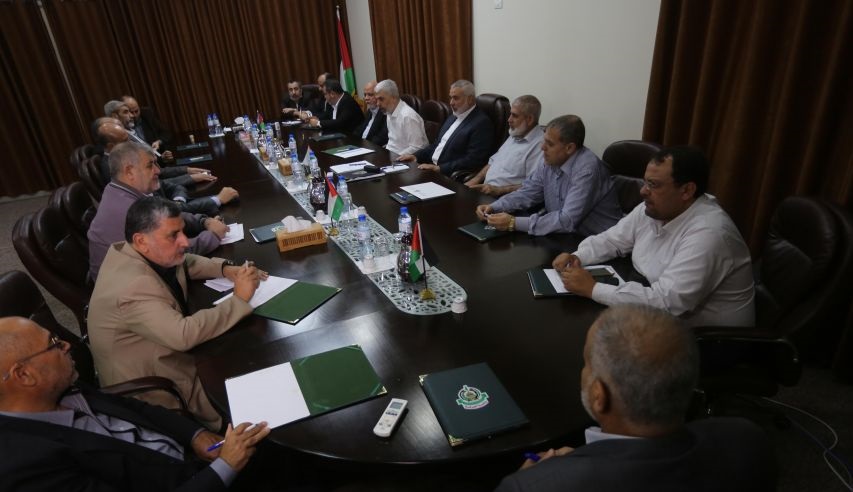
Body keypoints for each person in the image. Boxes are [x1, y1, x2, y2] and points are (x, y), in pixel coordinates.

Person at [495, 305, 776, 492]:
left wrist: (543, 477)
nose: (583, 370)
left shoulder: (529, 487)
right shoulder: (747, 438)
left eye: (586, 364)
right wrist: (575, 466)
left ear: (599, 396)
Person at [0, 316, 271, 492]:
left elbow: (136, 409)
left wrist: (195, 435)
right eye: (53, 344)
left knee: (273, 436)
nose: (67, 345)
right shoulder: (26, 469)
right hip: (197, 481)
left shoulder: (60, 388)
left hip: (196, 459)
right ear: (24, 375)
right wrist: (226, 467)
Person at [88, 196, 266, 429]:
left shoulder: (133, 250)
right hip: (157, 388)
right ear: (141, 240)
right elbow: (183, 335)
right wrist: (239, 299)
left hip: (164, 354)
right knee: (255, 372)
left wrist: (225, 270)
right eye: (173, 235)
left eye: (183, 231)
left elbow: (185, 262)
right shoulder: (132, 287)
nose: (185, 241)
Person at [552, 146, 755, 327]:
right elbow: (613, 239)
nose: (643, 191)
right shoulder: (655, 208)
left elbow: (667, 303)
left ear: (686, 190)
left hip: (706, 339)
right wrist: (578, 256)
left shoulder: (709, 234)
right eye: (645, 182)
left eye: (654, 184)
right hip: (655, 310)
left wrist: (593, 289)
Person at [87, 141, 226, 280]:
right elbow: (172, 252)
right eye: (150, 165)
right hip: (127, 285)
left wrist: (203, 221)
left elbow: (166, 216)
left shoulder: (117, 189)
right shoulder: (127, 208)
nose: (158, 171)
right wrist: (213, 235)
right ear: (129, 172)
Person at [475, 115, 621, 236]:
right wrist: (494, 207)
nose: (542, 147)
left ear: (569, 148)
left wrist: (514, 222)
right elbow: (528, 192)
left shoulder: (587, 170)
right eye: (544, 141)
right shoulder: (550, 161)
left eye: (549, 144)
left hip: (598, 242)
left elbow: (567, 220)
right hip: (561, 235)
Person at [398, 79, 494, 176]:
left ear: (470, 99)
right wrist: (416, 156)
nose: (451, 103)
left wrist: (440, 168)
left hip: (447, 174)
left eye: (456, 98)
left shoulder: (481, 123)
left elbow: (473, 160)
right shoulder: (453, 116)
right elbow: (437, 144)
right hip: (430, 167)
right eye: (450, 98)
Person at [465, 95, 545, 197]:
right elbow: (493, 162)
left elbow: (534, 186)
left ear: (529, 119)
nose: (509, 119)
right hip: (484, 191)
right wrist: (475, 180)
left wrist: (500, 190)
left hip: (505, 198)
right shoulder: (516, 133)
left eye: (514, 116)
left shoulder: (540, 145)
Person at [374, 79, 429, 156]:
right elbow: (393, 143)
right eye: (376, 100)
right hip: (391, 155)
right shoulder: (389, 111)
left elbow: (417, 147)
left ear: (393, 98)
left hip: (405, 159)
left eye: (381, 99)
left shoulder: (408, 116)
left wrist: (395, 158)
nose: (378, 104)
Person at [121, 94, 175, 161]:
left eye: (136, 111)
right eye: (131, 112)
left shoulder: (147, 114)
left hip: (158, 158)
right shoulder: (122, 126)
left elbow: (166, 133)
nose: (134, 115)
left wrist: (158, 141)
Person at [353, 80, 389, 145]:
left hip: (373, 147)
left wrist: (363, 145)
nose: (366, 98)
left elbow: (381, 138)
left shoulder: (385, 112)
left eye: (370, 95)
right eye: (365, 95)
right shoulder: (370, 111)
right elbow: (360, 129)